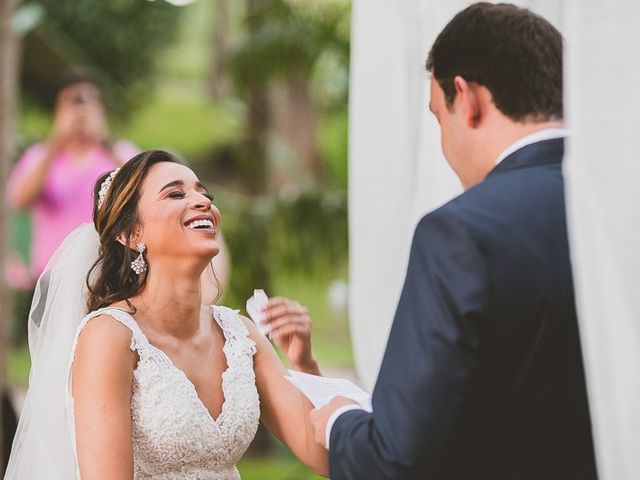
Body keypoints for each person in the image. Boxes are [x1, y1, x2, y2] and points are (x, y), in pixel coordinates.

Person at [310, 3, 597, 479]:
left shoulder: (460, 234)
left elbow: (399, 459)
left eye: (438, 117)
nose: (444, 143)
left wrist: (339, 421)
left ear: (466, 98)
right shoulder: (617, 205)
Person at [5, 150, 327, 478]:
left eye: (205, 193)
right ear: (131, 234)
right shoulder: (110, 337)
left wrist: (304, 363)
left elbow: (326, 456)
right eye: (176, 193)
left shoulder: (241, 334)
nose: (203, 202)